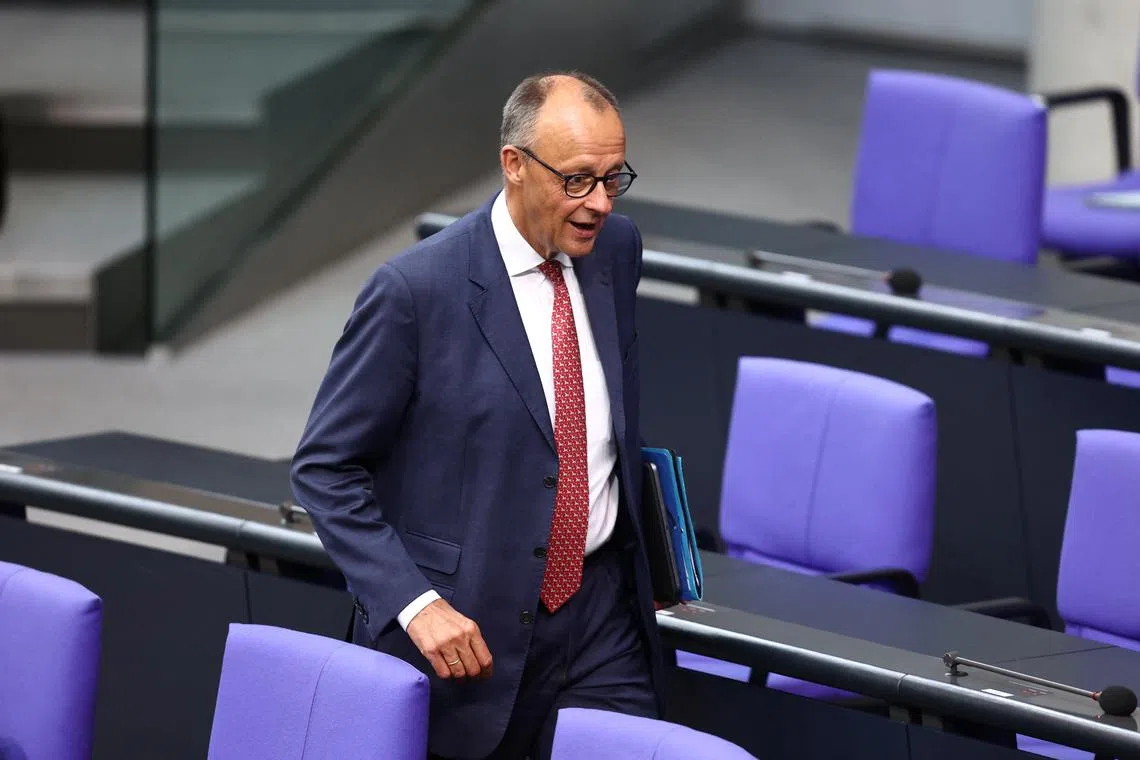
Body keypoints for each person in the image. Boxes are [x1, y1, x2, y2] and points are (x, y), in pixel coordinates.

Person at [290, 71, 664, 760]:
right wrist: (413, 603)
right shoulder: (415, 292)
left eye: (615, 178)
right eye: (578, 180)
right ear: (514, 165)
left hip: (600, 622)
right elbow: (324, 468)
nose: (599, 203)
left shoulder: (617, 251)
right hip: (471, 641)